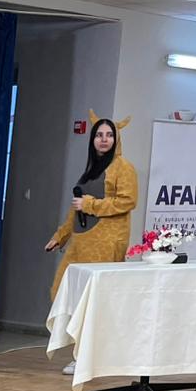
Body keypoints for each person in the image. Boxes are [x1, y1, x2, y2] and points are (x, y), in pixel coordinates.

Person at [44, 113, 139, 374]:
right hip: (81, 243)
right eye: (99, 135)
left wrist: (91, 204)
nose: (104, 139)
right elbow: (75, 209)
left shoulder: (123, 167)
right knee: (67, 294)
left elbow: (127, 201)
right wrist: (61, 235)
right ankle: (83, 352)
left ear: (116, 139)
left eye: (109, 135)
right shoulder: (90, 170)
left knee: (94, 301)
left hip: (106, 242)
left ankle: (88, 356)